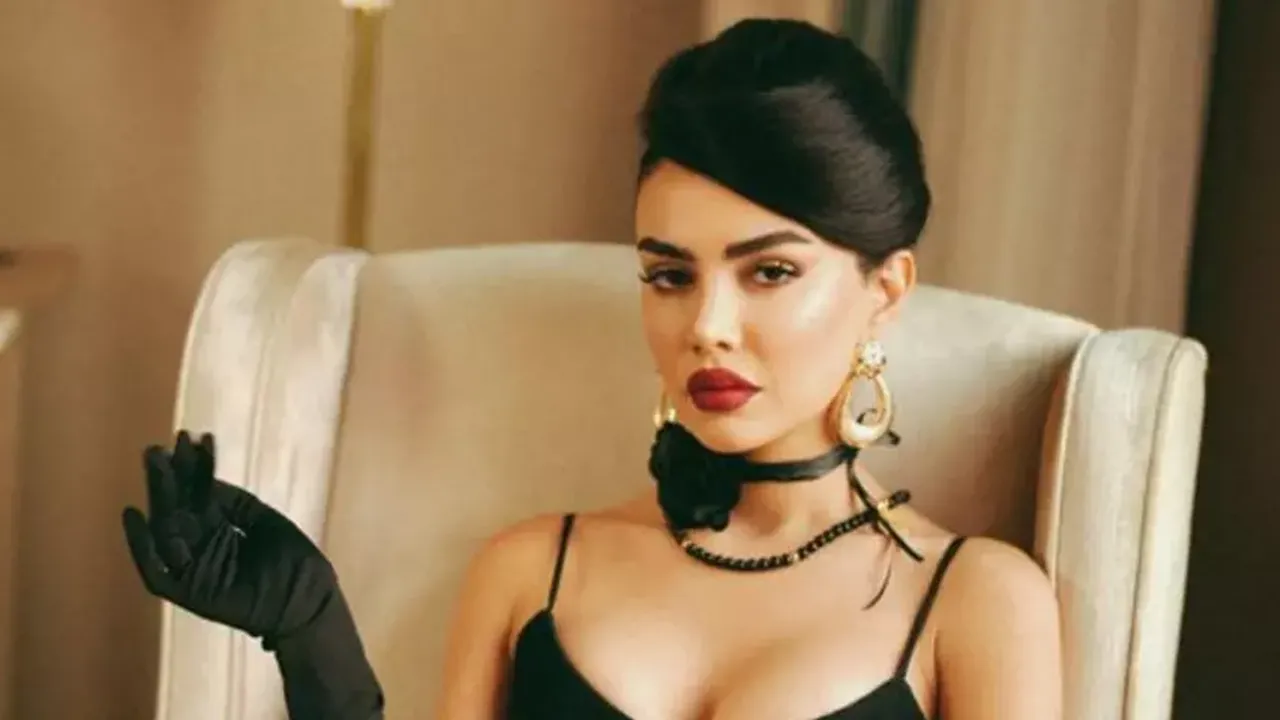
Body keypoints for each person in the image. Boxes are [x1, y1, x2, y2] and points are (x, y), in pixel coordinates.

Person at [123, 17, 1061, 720]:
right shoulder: (533, 569)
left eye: (770, 272)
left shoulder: (974, 600)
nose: (708, 328)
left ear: (886, 289)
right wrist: (310, 634)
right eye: (670, 275)